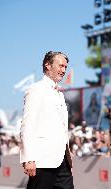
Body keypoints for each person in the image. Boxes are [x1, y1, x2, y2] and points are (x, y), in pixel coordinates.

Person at [20, 51, 74, 189]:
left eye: (65, 67)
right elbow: (27, 125)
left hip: (62, 160)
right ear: (48, 65)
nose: (63, 70)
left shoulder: (59, 94)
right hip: (42, 160)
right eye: (61, 66)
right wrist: (28, 158)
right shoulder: (36, 90)